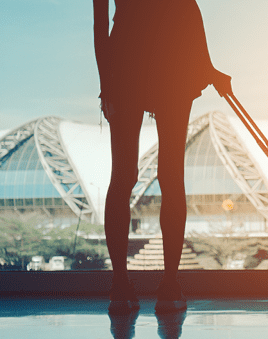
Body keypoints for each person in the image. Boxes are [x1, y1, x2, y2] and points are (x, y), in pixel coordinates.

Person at [94, 0, 232, 314]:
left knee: (123, 176)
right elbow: (189, 10)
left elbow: (100, 28)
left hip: (126, 66)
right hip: (173, 66)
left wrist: (107, 86)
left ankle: (119, 285)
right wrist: (206, 66)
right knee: (171, 176)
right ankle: (169, 286)